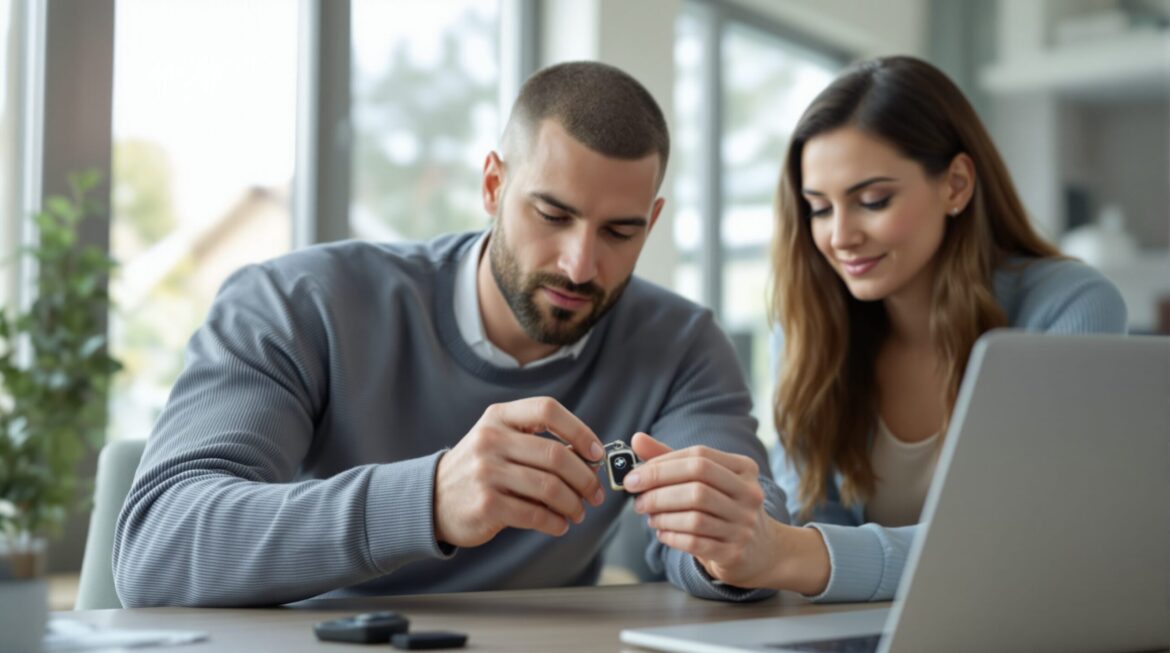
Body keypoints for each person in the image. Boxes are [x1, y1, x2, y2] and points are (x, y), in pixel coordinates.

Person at [111, 61, 789, 608]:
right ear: (493, 185)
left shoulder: (683, 344)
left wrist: (724, 548)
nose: (581, 265)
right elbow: (157, 544)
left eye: (620, 231)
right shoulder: (298, 302)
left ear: (654, 217)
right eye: (552, 213)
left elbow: (746, 544)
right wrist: (429, 499)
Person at [627, 55, 1127, 601]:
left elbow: (1022, 546)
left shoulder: (1072, 308)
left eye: (873, 201)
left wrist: (787, 551)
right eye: (818, 208)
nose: (840, 236)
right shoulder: (811, 326)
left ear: (956, 184)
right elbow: (815, 525)